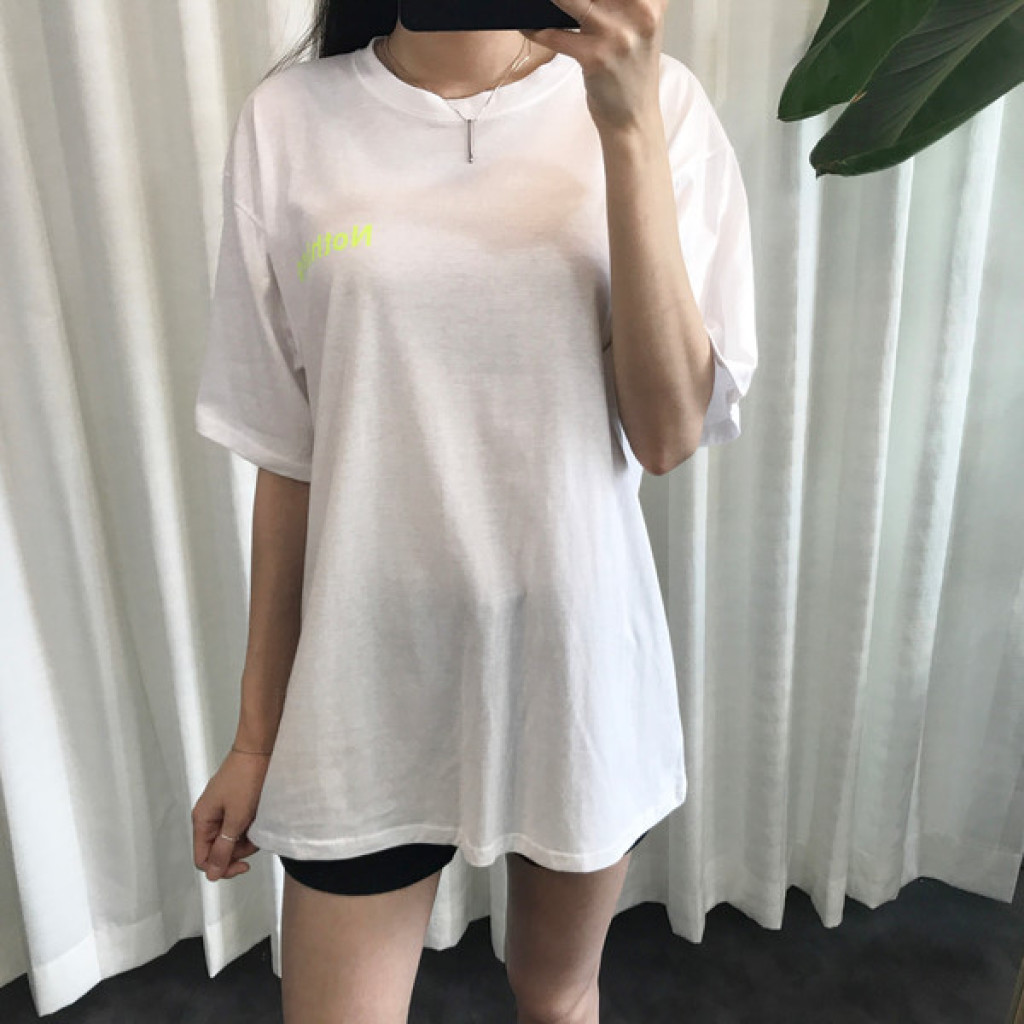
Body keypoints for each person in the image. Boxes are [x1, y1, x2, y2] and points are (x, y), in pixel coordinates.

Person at [190, 2, 758, 1021]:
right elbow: (290, 457)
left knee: (556, 995)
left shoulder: (659, 105)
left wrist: (626, 126)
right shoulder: (290, 121)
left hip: (576, 658)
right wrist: (256, 735)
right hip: (366, 670)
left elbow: (667, 432)